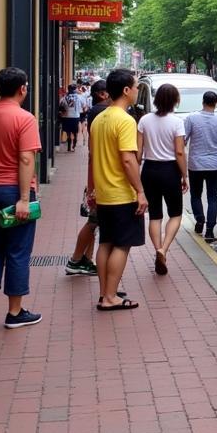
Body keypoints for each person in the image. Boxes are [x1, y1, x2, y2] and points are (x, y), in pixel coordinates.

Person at [0, 67, 42, 329]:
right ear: (23, 88)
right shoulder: (24, 118)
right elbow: (26, 158)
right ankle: (15, 312)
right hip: (14, 190)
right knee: (17, 250)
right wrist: (24, 199)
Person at [88, 69, 145, 310]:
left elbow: (91, 158)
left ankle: (105, 294)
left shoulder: (99, 119)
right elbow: (128, 160)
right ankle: (111, 297)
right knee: (122, 245)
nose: (136, 91)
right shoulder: (125, 120)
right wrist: (140, 191)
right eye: (135, 87)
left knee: (105, 243)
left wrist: (90, 189)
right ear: (125, 90)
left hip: (103, 193)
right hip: (121, 194)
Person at [137, 83, 188, 276]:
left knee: (155, 215)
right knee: (175, 214)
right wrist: (185, 175)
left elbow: (139, 152)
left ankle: (157, 248)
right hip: (170, 170)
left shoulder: (144, 120)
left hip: (149, 170)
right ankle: (163, 249)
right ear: (175, 100)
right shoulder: (177, 122)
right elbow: (180, 152)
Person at [66, 79, 110, 277]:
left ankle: (85, 260)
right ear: (103, 93)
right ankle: (76, 259)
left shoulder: (95, 111)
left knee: (95, 221)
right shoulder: (102, 112)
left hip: (98, 176)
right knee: (93, 221)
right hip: (103, 179)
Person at [184, 90, 217, 242]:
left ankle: (200, 220)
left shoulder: (192, 118)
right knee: (213, 197)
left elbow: (184, 139)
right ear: (216, 103)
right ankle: (210, 230)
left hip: (196, 163)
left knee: (196, 194)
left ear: (203, 102)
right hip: (214, 163)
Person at [60, 83, 81, 151]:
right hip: (75, 116)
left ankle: (69, 145)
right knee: (75, 131)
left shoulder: (65, 97)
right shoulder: (78, 97)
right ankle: (75, 140)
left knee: (68, 132)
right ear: (75, 89)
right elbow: (83, 105)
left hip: (66, 116)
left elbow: (61, 104)